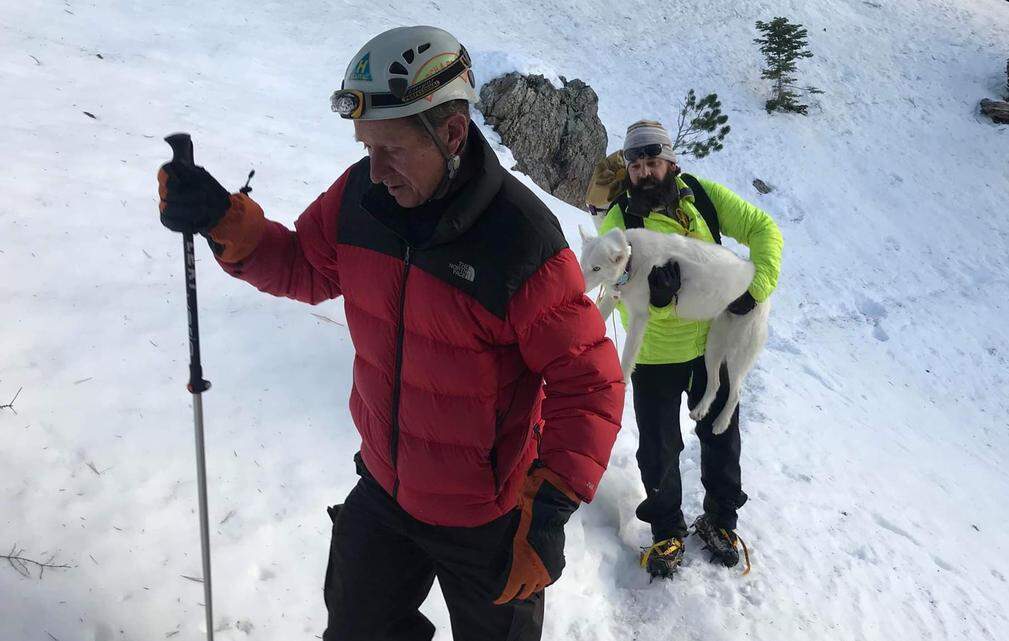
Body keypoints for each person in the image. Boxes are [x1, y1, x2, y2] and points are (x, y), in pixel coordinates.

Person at [156, 26, 624, 641]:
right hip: (385, 484)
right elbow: (305, 266)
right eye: (365, 146)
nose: (374, 170)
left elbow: (587, 380)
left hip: (487, 514)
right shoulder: (359, 200)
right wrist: (225, 222)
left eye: (393, 149)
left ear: (453, 133)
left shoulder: (519, 239)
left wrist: (551, 507)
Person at [596, 120, 783, 579]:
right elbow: (616, 288)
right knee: (659, 449)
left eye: (652, 162)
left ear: (671, 163)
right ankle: (667, 530)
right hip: (656, 354)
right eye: (636, 165)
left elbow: (764, 229)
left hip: (711, 346)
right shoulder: (621, 220)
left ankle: (721, 522)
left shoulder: (701, 196)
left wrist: (755, 289)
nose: (644, 173)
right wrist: (657, 303)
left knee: (721, 440)